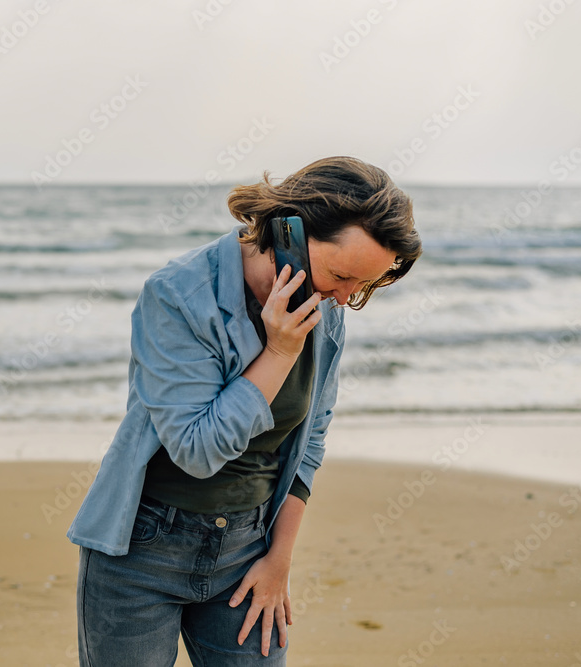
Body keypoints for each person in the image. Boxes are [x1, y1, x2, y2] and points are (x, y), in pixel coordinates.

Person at [67, 156, 422, 665]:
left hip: (249, 551)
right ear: (289, 233)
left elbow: (311, 441)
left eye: (361, 288)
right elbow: (195, 450)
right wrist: (278, 353)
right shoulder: (178, 296)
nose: (342, 300)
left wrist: (279, 560)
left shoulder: (322, 308)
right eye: (341, 276)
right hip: (140, 553)